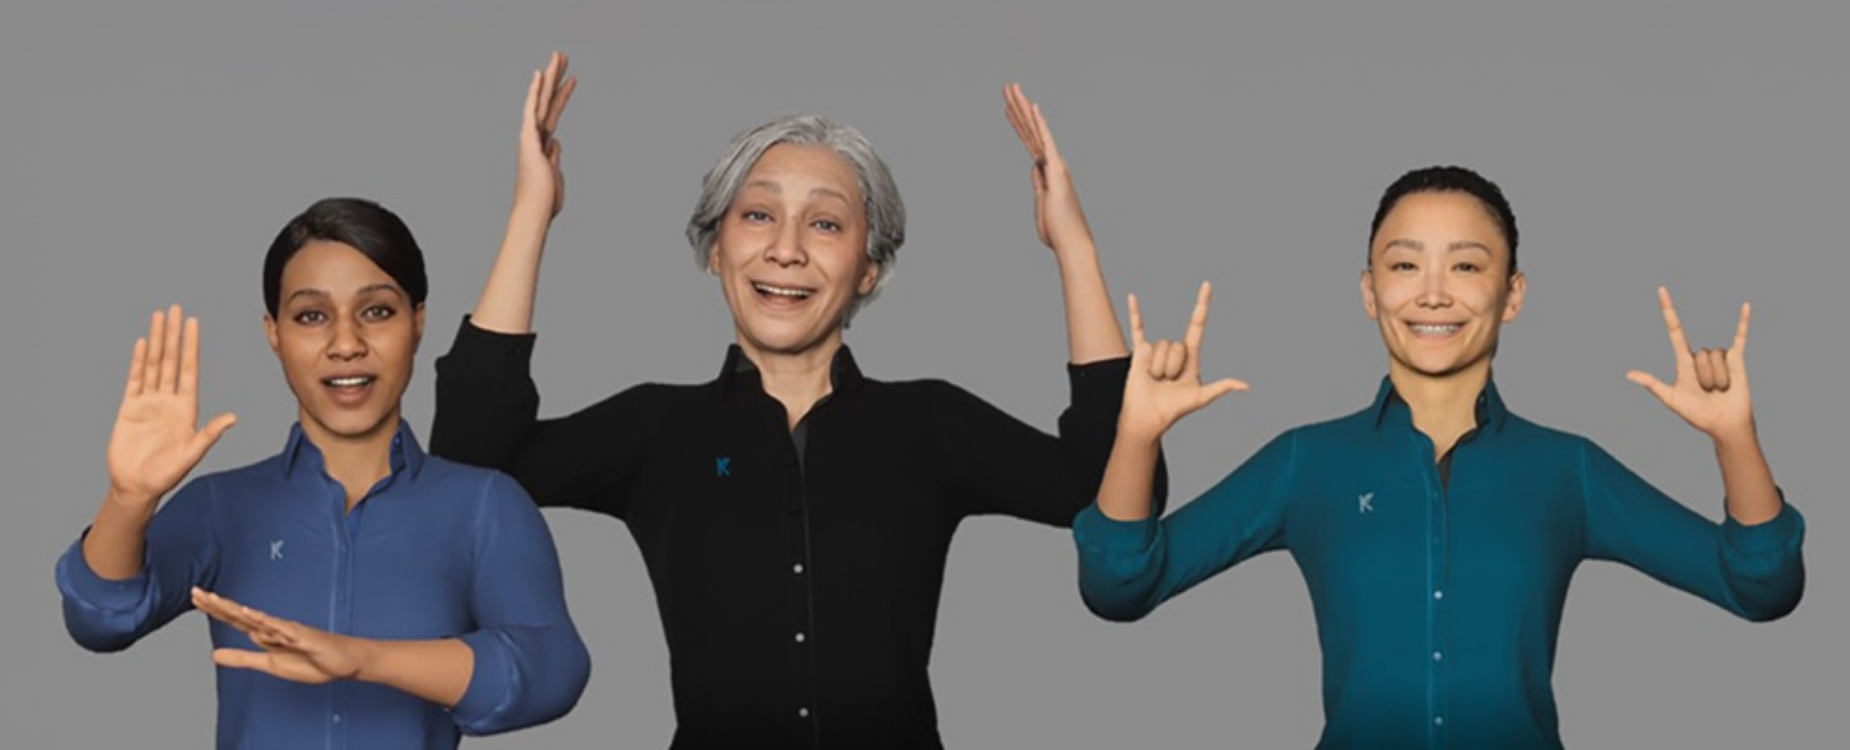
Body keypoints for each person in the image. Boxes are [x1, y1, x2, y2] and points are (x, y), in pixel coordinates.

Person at [430, 54, 1157, 749]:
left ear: (870, 268)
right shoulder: (657, 428)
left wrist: (1074, 246)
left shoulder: (929, 424)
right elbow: (469, 468)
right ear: (715, 249)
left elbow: (1114, 489)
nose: (786, 249)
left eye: (826, 223)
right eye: (757, 216)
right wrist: (532, 213)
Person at [1074, 166, 1805, 748]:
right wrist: (1136, 435)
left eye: (1465, 266)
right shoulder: (1308, 463)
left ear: (1511, 294)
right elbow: (1121, 588)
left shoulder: (1566, 472)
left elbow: (1760, 589)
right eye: (1402, 265)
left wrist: (1733, 438)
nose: (1431, 293)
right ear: (1369, 291)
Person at [54, 197, 591, 749]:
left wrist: (362, 659)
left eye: (377, 311)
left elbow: (551, 671)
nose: (346, 344)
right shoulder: (222, 505)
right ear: (273, 334)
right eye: (312, 316)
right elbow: (101, 621)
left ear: (418, 322)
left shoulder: (483, 504)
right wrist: (128, 498)